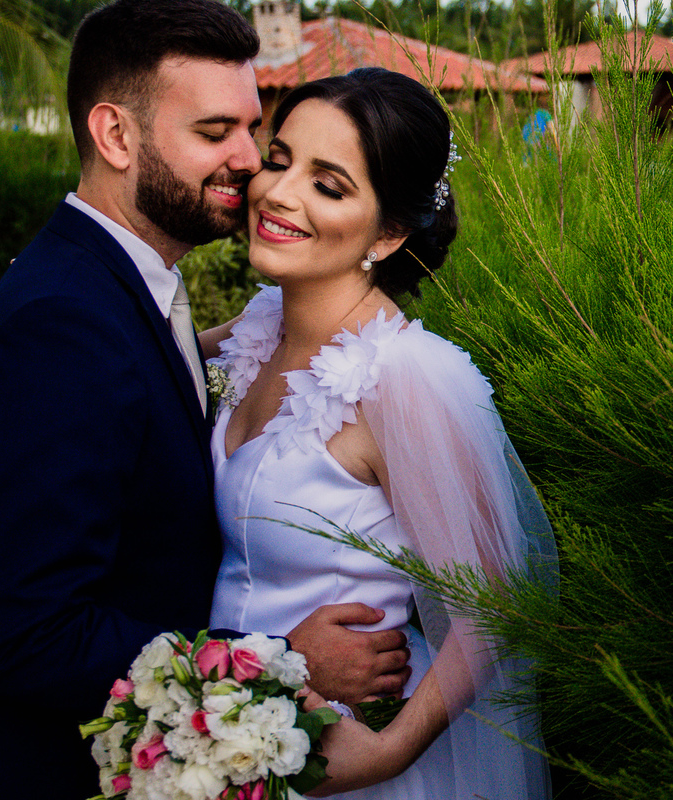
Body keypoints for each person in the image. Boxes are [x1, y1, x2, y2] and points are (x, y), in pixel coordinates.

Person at [0, 3, 407, 798]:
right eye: (214, 131)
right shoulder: (61, 329)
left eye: (253, 130)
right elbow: (24, 633)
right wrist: (271, 656)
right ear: (116, 136)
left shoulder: (122, 287)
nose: (250, 162)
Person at [206, 68, 558, 799]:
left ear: (390, 233)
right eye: (280, 159)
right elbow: (147, 345)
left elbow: (497, 600)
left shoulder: (405, 381)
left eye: (328, 186)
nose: (279, 193)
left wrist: (391, 752)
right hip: (230, 731)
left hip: (343, 754)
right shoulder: (260, 324)